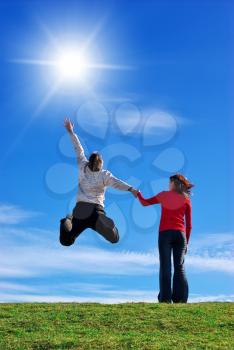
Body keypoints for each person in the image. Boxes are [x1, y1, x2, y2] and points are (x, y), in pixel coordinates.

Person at [60, 118, 138, 246]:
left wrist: (70, 131)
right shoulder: (104, 175)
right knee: (115, 238)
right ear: (100, 164)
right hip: (96, 212)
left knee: (66, 241)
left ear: (89, 161)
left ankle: (66, 221)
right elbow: (117, 183)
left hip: (79, 211)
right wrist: (131, 189)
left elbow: (78, 149)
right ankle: (106, 223)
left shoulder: (82, 165)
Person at [137, 174, 193, 303]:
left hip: (165, 234)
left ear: (173, 183)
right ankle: (180, 299)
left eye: (169, 183)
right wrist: (187, 243)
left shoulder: (164, 195)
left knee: (165, 266)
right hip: (181, 235)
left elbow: (144, 203)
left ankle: (165, 299)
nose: (168, 185)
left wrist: (138, 194)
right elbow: (189, 225)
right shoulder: (186, 199)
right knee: (179, 266)